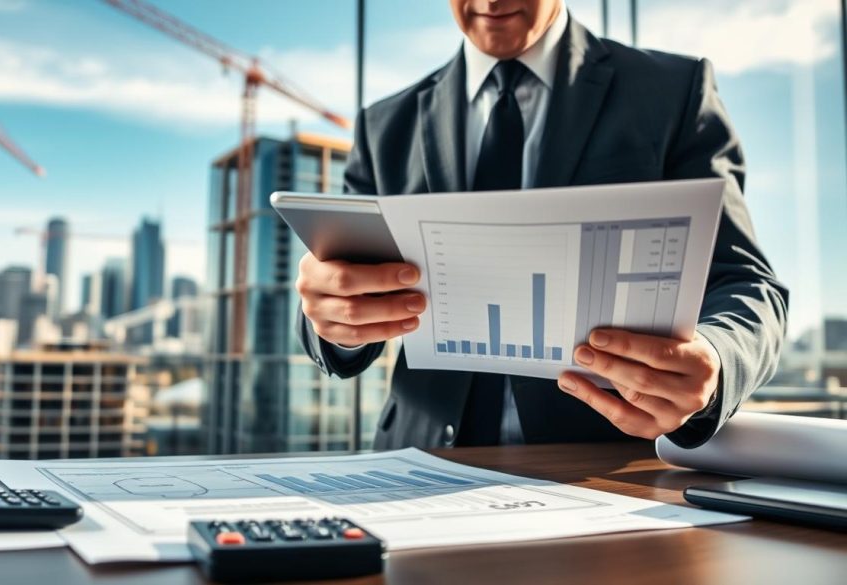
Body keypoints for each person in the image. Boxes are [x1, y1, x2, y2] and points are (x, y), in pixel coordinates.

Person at [296, 0, 788, 449]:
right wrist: (336, 319)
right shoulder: (385, 124)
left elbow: (746, 283)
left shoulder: (672, 93)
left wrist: (716, 361)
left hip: (606, 477)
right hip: (417, 465)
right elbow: (339, 284)